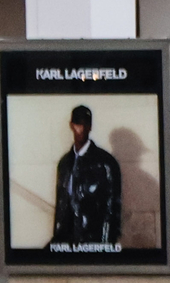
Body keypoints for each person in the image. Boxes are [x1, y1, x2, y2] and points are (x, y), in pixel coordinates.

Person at [50, 104, 123, 250]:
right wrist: (57, 243)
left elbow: (112, 209)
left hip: (93, 240)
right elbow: (61, 205)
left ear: (90, 126)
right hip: (67, 240)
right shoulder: (65, 163)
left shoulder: (106, 163)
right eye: (78, 124)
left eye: (84, 124)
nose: (81, 129)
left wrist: (105, 245)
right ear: (72, 126)